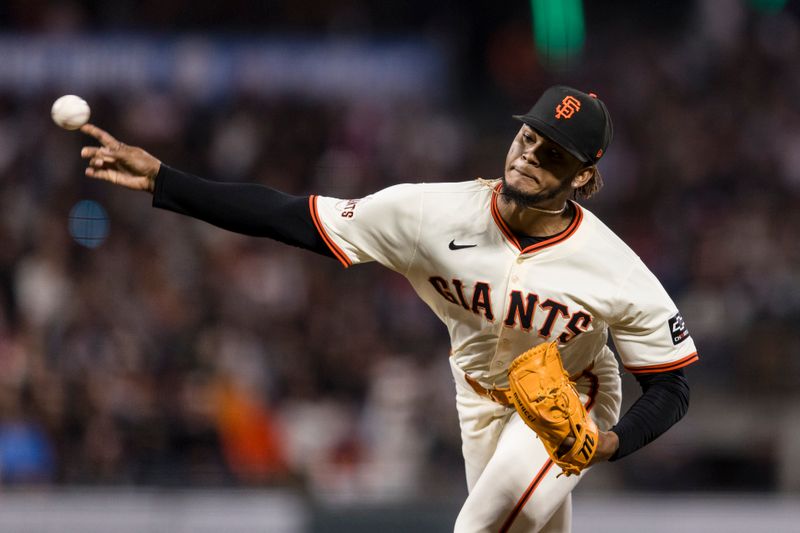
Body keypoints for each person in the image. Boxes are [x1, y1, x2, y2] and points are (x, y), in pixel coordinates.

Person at [79, 85, 697, 532]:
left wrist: (607, 442)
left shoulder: (614, 266)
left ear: (586, 178)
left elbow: (672, 388)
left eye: (554, 154)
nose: (530, 156)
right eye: (528, 138)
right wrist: (165, 179)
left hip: (574, 393)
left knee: (481, 527)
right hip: (477, 396)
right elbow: (286, 217)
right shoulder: (428, 213)